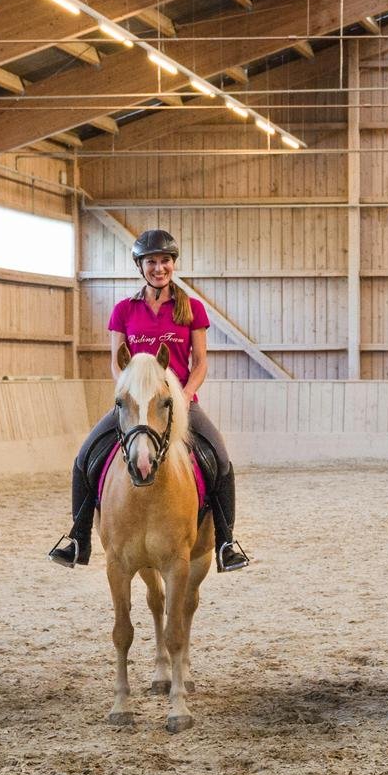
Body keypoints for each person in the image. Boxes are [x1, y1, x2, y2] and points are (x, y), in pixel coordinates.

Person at [49, 228, 251, 573]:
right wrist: (129, 393)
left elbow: (200, 363)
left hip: (176, 404)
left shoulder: (192, 310)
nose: (159, 268)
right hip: (133, 404)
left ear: (173, 265)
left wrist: (185, 395)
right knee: (84, 459)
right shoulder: (124, 311)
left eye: (165, 261)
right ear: (140, 267)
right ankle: (78, 537)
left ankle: (226, 542)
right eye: (152, 262)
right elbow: (117, 361)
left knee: (220, 459)